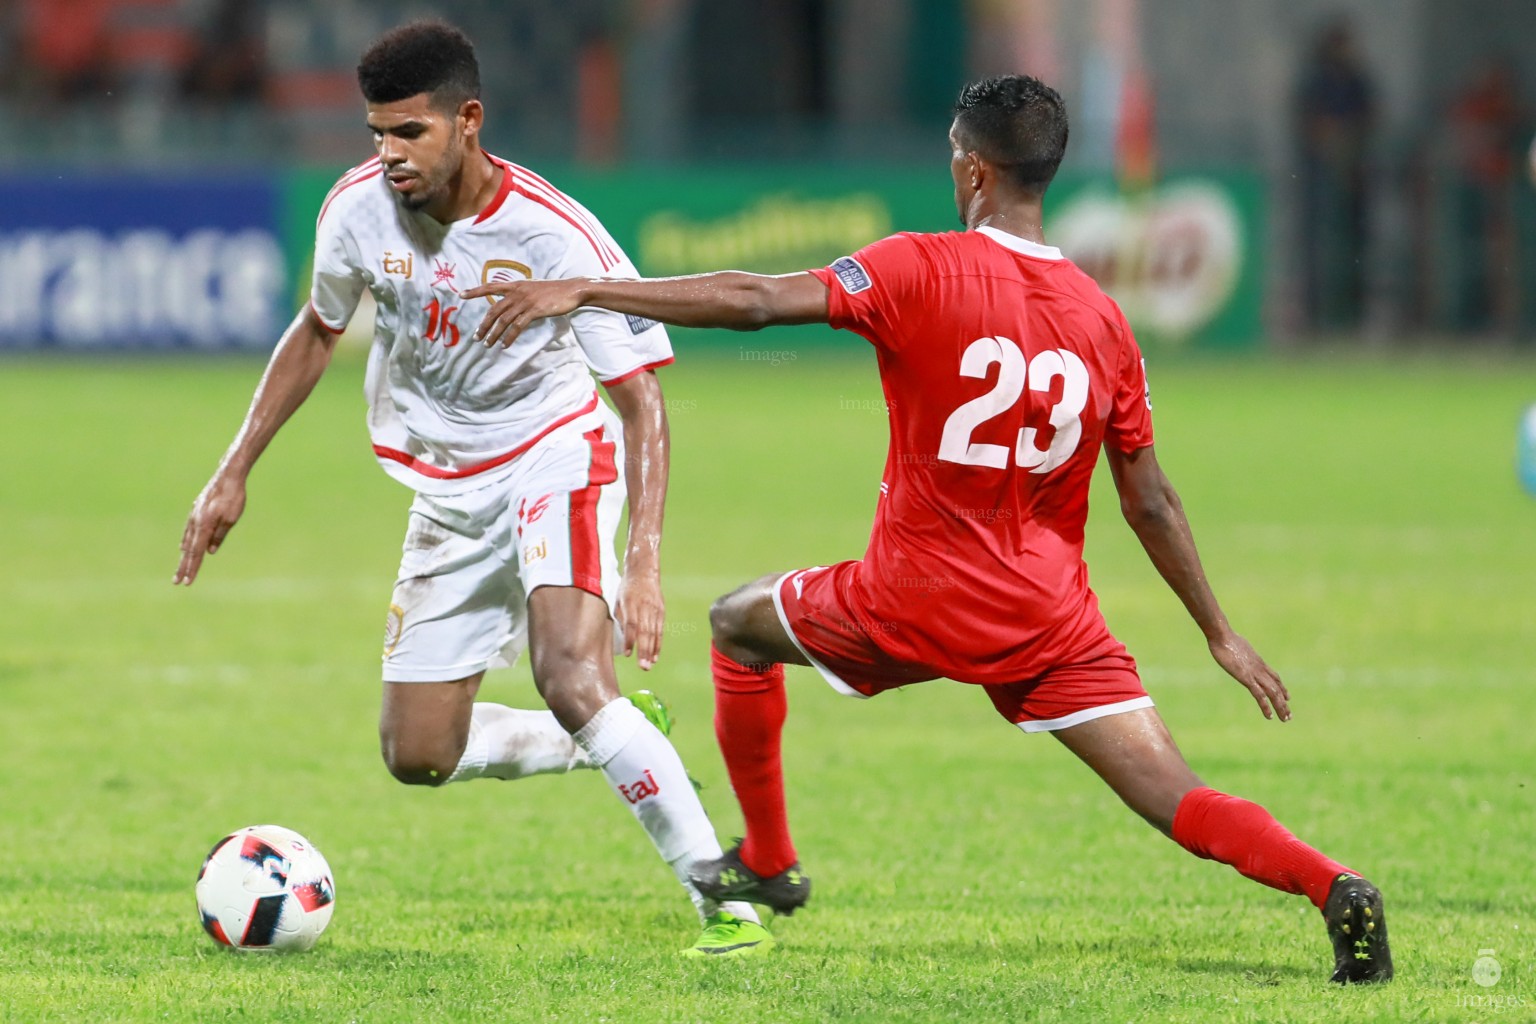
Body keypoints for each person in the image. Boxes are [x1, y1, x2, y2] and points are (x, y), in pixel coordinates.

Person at [462, 74, 1394, 984]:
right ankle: (1332, 884)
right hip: (1047, 618)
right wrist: (1218, 633)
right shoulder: (1105, 319)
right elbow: (1148, 499)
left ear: (977, 173)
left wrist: (587, 290)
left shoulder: (919, 264)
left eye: (955, 157)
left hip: (911, 597)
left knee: (736, 625)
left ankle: (774, 859)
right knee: (1178, 795)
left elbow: (754, 302)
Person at [173, 20, 770, 958]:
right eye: (376, 133)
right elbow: (320, 328)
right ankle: (604, 739)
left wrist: (642, 560)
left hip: (555, 452)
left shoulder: (554, 231)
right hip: (447, 482)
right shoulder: (356, 210)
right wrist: (232, 468)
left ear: (469, 121)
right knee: (418, 756)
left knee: (569, 671)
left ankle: (723, 898)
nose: (389, 155)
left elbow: (640, 401)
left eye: (409, 132)